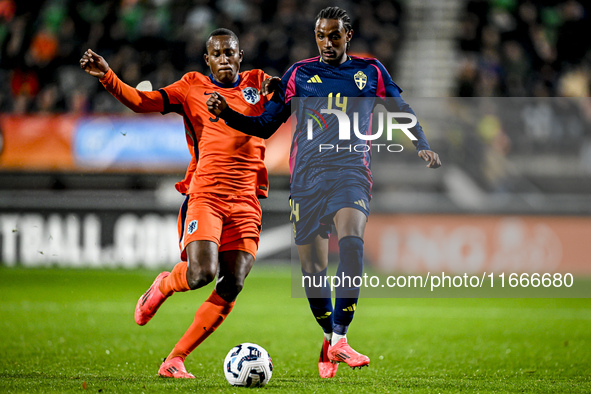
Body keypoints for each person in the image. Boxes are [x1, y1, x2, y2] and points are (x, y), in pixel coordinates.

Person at [207, 7, 441, 379]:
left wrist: (421, 144)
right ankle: (330, 339)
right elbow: (267, 124)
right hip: (307, 179)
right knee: (313, 269)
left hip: (351, 171)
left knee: (351, 242)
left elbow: (400, 108)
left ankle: (341, 338)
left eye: (334, 35)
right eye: (320, 35)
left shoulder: (371, 71)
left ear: (348, 35)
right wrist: (227, 115)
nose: (327, 42)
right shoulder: (298, 75)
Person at [80, 28, 276, 379]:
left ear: (240, 55)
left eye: (230, 52)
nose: (224, 59)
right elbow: (143, 102)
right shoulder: (191, 87)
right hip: (207, 196)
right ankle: (164, 284)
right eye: (217, 54)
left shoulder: (257, 82)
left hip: (247, 201)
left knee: (233, 283)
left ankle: (175, 359)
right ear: (208, 60)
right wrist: (109, 77)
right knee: (202, 273)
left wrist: (280, 90)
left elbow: (283, 94)